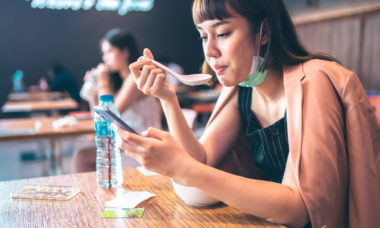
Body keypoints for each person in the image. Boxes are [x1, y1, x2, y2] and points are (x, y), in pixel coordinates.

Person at [115, 0, 380, 227]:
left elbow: (298, 208)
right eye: (204, 36)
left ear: (263, 32)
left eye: (223, 33)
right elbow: (203, 159)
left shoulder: (313, 81)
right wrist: (167, 99)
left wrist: (183, 168)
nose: (210, 51)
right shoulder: (242, 89)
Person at [75, 28, 162, 172]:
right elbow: (98, 117)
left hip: (146, 149)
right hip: (132, 144)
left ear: (125, 52)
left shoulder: (135, 79)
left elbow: (110, 115)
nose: (105, 58)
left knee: (82, 157)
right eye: (103, 53)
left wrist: (103, 81)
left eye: (109, 51)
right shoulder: (122, 82)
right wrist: (95, 86)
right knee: (83, 155)